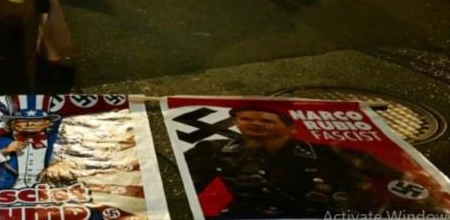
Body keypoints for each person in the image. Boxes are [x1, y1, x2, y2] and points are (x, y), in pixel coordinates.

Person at [183, 106, 440, 219]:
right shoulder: (213, 149)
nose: (256, 124)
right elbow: (185, 185)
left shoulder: (331, 152)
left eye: (266, 120)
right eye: (247, 119)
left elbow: (398, 180)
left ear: (290, 128)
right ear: (236, 123)